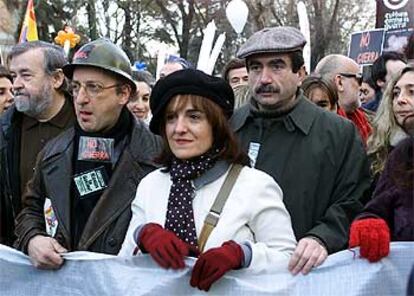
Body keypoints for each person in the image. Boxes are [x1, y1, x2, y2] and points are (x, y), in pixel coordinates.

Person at [119, 69, 297, 291]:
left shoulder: (255, 185)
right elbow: (124, 266)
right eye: (171, 118)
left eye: (194, 117)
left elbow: (288, 258)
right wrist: (142, 236)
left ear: (217, 125)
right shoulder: (151, 185)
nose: (179, 129)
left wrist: (244, 254)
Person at [232, 26, 371, 275]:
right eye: (255, 67)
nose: (264, 78)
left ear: (300, 73)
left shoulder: (338, 133)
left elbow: (353, 200)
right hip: (237, 275)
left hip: (308, 274)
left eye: (276, 66)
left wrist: (322, 237)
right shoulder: (228, 128)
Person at [14, 39, 162, 269]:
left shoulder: (158, 154)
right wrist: (33, 238)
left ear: (123, 94)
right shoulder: (54, 152)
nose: (81, 98)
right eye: (76, 87)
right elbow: (31, 209)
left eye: (94, 87)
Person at [0, 41, 76, 246]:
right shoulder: (5, 130)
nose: (15, 84)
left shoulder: (86, 125)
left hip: (76, 257)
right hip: (16, 255)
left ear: (57, 78)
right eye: (14, 75)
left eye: (26, 75)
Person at [349, 66, 414, 262]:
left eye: (412, 92)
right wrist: (370, 224)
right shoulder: (402, 155)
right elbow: (375, 208)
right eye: (395, 93)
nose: (401, 100)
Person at [315, 54, 372, 145]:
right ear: (340, 82)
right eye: (359, 79)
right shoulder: (318, 125)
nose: (361, 86)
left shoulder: (369, 120)